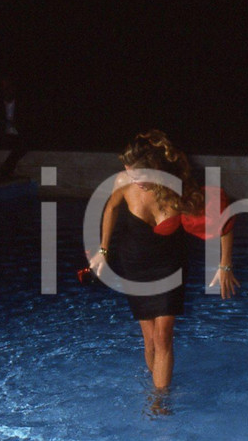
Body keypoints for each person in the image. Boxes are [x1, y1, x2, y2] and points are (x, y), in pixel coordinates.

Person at [88, 130, 240, 405]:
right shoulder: (123, 182)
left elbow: (225, 219)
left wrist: (225, 264)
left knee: (163, 336)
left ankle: (159, 400)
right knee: (149, 340)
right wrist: (103, 250)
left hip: (169, 266)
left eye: (140, 174)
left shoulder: (178, 190)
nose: (134, 180)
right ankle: (156, 385)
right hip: (133, 265)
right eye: (129, 172)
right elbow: (110, 208)